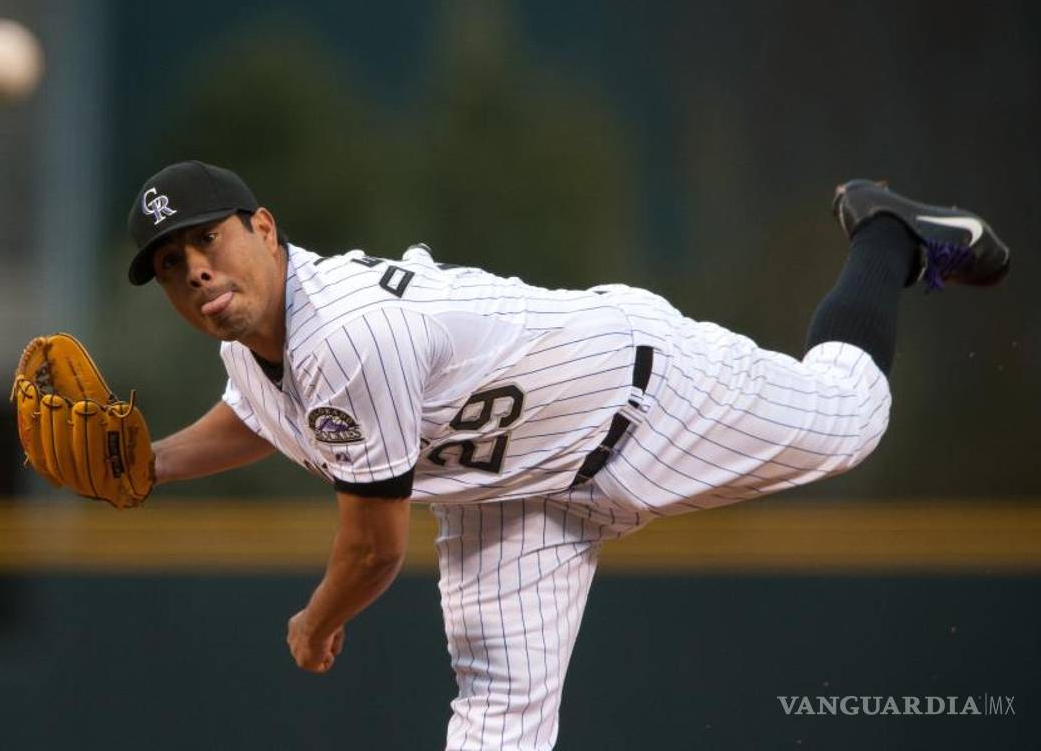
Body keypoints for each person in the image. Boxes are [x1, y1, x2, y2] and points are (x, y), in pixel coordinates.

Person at [126, 160, 1009, 751]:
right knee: (498, 726)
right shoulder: (252, 339)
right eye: (172, 263)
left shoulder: (347, 335)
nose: (196, 269)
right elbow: (260, 414)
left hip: (637, 397)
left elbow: (373, 550)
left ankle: (884, 233)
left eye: (209, 239)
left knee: (852, 417)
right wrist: (152, 466)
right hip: (512, 495)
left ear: (267, 228)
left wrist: (314, 624)